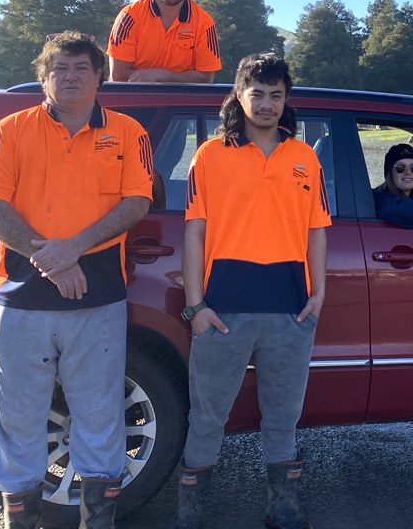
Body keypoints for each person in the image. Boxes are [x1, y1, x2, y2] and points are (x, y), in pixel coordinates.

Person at [0, 32, 153, 529]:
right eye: (59, 68)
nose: (70, 76)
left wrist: (73, 247)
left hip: (97, 304)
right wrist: (51, 257)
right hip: (17, 304)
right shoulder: (7, 131)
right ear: (43, 76)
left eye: (80, 67)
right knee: (16, 429)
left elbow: (136, 202)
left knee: (101, 424)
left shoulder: (128, 131)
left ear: (100, 75)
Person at [169, 54, 330, 529]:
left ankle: (283, 508)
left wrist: (317, 295)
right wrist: (195, 306)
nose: (266, 103)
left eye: (276, 94)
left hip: (290, 310)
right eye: (256, 93)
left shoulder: (304, 158)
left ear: (286, 101)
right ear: (238, 96)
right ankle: (190, 512)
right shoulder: (210, 155)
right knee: (207, 417)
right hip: (222, 310)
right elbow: (194, 234)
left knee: (283, 417)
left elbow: (316, 231)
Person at [107, 0, 221, 83]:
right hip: (132, 102)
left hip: (180, 103)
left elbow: (206, 79)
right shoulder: (129, 17)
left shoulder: (204, 22)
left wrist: (164, 76)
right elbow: (118, 76)